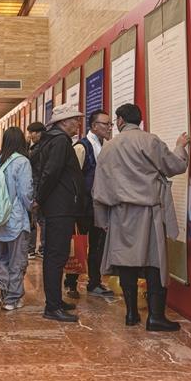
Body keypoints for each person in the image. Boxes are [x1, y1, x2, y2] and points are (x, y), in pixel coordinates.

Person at [93, 103, 189, 332]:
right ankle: (156, 317)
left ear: (120, 120)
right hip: (148, 212)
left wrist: (102, 221)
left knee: (126, 262)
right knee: (155, 263)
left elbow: (99, 188)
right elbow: (174, 166)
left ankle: (131, 313)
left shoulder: (108, 148)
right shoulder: (150, 141)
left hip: (119, 214)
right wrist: (180, 146)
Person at [34, 104, 85, 322]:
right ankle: (52, 306)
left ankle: (55, 300)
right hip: (60, 207)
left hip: (58, 206)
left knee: (57, 255)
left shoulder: (52, 139)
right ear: (64, 122)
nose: (78, 124)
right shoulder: (60, 141)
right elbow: (51, 173)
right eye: (75, 120)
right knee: (56, 256)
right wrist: (40, 198)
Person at [64, 110, 115, 299]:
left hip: (100, 205)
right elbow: (72, 178)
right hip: (82, 207)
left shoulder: (106, 146)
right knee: (77, 245)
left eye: (110, 124)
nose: (109, 128)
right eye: (106, 124)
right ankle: (71, 283)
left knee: (97, 245)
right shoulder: (82, 147)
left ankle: (94, 282)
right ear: (94, 126)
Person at [0, 127, 33, 311]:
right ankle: (12, 299)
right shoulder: (22, 162)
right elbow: (25, 193)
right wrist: (33, 207)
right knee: (16, 260)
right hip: (15, 219)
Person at [26, 122, 46, 260]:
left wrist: (26, 146)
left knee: (34, 218)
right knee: (41, 219)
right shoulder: (45, 146)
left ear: (39, 133)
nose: (30, 136)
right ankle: (42, 248)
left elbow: (29, 161)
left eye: (31, 133)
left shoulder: (38, 148)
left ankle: (31, 248)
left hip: (36, 185)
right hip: (41, 185)